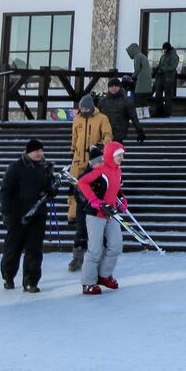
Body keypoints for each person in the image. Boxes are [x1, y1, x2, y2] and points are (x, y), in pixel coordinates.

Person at [0, 139, 56, 292]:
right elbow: (5, 191)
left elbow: (50, 190)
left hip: (38, 215)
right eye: (36, 151)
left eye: (41, 150)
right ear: (28, 152)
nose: (39, 153)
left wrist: (52, 190)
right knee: (13, 247)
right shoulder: (15, 167)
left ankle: (31, 281)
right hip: (17, 215)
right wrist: (6, 212)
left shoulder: (45, 168)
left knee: (34, 249)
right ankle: (8, 276)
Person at [67, 94, 112, 269]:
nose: (84, 112)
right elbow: (74, 137)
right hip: (79, 161)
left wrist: (101, 146)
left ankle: (99, 254)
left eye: (86, 109)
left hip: (95, 160)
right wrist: (73, 151)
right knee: (75, 191)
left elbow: (108, 135)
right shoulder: (77, 120)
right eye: (82, 109)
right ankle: (72, 214)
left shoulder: (102, 118)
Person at [76, 141, 126, 295]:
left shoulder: (118, 170)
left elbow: (115, 188)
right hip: (95, 214)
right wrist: (94, 200)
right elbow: (82, 182)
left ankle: (104, 275)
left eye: (122, 155)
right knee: (95, 249)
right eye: (118, 155)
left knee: (116, 245)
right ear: (110, 155)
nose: (121, 158)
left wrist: (122, 199)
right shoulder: (100, 170)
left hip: (110, 214)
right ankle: (88, 282)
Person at [68, 142, 104, 271]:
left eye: (101, 161)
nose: (100, 164)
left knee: (98, 236)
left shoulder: (103, 173)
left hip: (99, 211)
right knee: (82, 233)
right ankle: (77, 258)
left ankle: (98, 260)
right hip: (84, 210)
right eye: (97, 162)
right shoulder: (84, 175)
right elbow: (77, 192)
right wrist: (88, 201)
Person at [97, 76, 145, 145]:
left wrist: (140, 131)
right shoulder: (102, 101)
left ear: (119, 87)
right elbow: (97, 117)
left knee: (117, 153)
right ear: (108, 88)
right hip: (105, 133)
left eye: (116, 86)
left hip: (119, 134)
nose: (113, 88)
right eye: (111, 86)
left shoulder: (126, 101)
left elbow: (133, 117)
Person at [153, 42, 180, 118]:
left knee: (167, 96)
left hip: (168, 78)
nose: (164, 50)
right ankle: (158, 111)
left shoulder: (174, 56)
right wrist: (156, 69)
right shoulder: (163, 56)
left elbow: (173, 66)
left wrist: (163, 69)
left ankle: (167, 112)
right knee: (158, 95)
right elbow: (160, 65)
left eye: (165, 49)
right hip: (160, 77)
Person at [126, 43, 153, 117]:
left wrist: (132, 77)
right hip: (147, 81)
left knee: (138, 99)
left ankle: (139, 115)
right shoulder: (143, 56)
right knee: (144, 100)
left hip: (141, 81)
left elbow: (137, 69)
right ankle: (147, 115)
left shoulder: (137, 57)